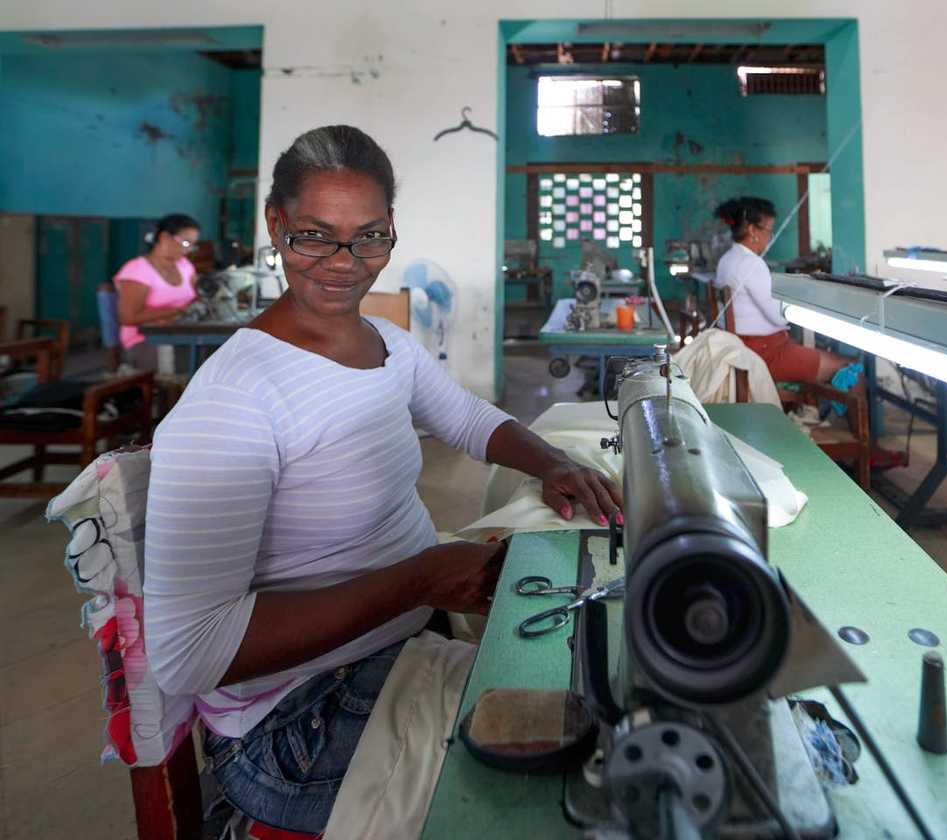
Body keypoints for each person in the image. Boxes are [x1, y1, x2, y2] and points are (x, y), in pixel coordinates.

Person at [142, 125, 623, 834]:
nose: (344, 262)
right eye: (315, 234)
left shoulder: (386, 346)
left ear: (392, 230)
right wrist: (420, 579)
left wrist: (551, 463)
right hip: (296, 720)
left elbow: (466, 419)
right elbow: (188, 654)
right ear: (276, 224)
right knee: (592, 784)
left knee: (606, 696)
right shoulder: (235, 400)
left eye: (369, 237)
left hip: (395, 648)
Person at [713, 197, 848, 385]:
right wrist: (800, 302)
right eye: (769, 230)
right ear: (752, 230)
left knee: (818, 356)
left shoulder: (727, 259)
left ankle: (817, 410)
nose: (770, 237)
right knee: (849, 366)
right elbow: (778, 316)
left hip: (742, 347)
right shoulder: (751, 263)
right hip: (763, 354)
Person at [113, 213, 200, 369]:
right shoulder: (138, 270)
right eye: (186, 243)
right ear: (165, 237)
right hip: (145, 341)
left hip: (180, 334)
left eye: (193, 245)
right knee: (188, 369)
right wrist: (178, 311)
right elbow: (128, 317)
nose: (188, 250)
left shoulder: (185, 265)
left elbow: (198, 296)